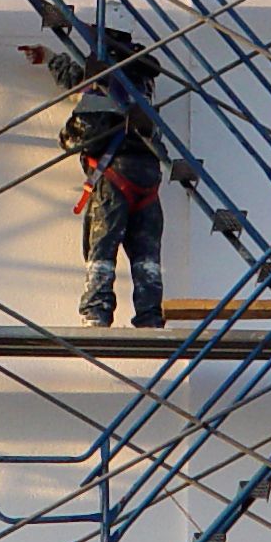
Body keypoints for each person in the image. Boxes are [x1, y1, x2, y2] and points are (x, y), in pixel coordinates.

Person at [53, 29, 167, 329]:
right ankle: (150, 316)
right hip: (148, 176)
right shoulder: (139, 82)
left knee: (101, 249)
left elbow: (78, 136)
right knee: (146, 257)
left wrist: (66, 136)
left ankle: (96, 312)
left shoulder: (102, 87)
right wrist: (51, 59)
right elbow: (78, 79)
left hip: (115, 177)